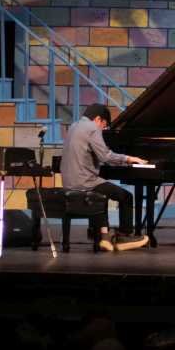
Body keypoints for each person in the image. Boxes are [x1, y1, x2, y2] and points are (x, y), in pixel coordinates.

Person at [60, 103, 150, 251]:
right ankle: (124, 236)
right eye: (104, 125)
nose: (103, 129)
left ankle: (103, 237)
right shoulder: (92, 128)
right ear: (98, 119)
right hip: (85, 183)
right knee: (126, 196)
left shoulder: (74, 126)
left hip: (70, 182)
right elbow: (105, 156)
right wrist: (129, 158)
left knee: (103, 193)